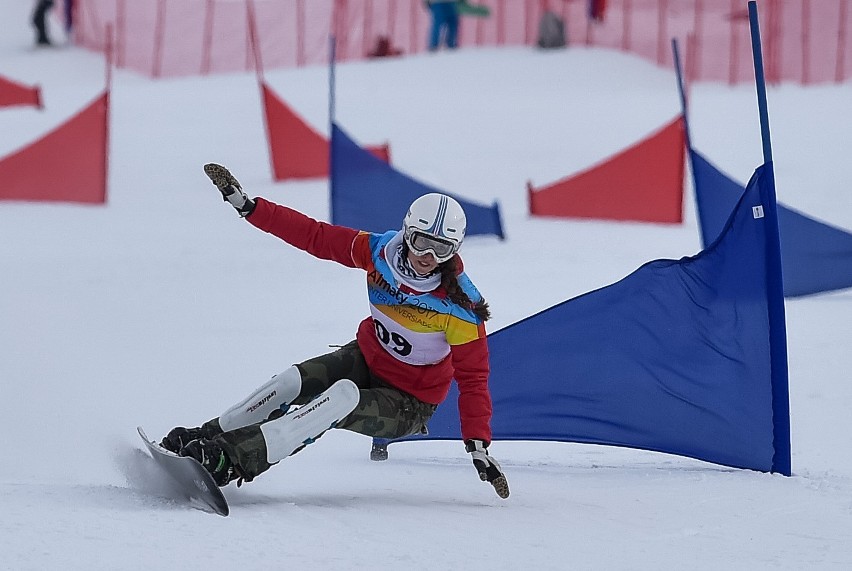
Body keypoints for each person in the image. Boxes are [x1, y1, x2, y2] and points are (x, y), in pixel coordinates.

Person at [160, 163, 510, 499]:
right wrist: (250, 207)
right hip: (368, 359)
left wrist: (477, 445)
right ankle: (204, 439)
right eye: (421, 242)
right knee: (289, 384)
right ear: (406, 233)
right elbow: (316, 236)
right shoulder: (378, 252)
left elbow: (474, 379)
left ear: (455, 250)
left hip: (408, 403)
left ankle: (228, 460)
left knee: (339, 398)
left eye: (442, 249)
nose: (428, 256)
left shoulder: (461, 307)